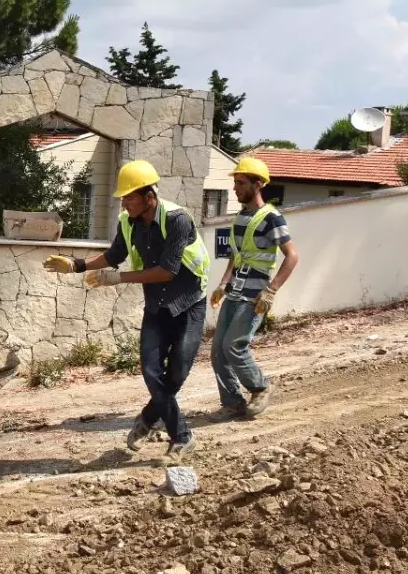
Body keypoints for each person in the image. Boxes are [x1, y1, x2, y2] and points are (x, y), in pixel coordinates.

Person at [43, 160, 211, 462]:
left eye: (130, 197)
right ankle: (182, 437)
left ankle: (148, 419)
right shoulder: (127, 221)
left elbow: (167, 271)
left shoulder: (177, 220)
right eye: (123, 197)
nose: (125, 202)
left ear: (150, 197)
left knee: (175, 374)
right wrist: (76, 265)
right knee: (150, 370)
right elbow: (115, 254)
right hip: (157, 305)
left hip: (188, 304)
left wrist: (119, 277)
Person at [208, 157, 299, 421]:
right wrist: (224, 284)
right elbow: (236, 255)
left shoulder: (272, 218)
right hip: (235, 291)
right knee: (218, 352)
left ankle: (261, 387)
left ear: (258, 184)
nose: (235, 188)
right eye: (235, 182)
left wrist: (271, 291)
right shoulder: (241, 217)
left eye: (241, 183)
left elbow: (292, 256)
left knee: (234, 345)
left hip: (254, 295)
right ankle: (232, 402)